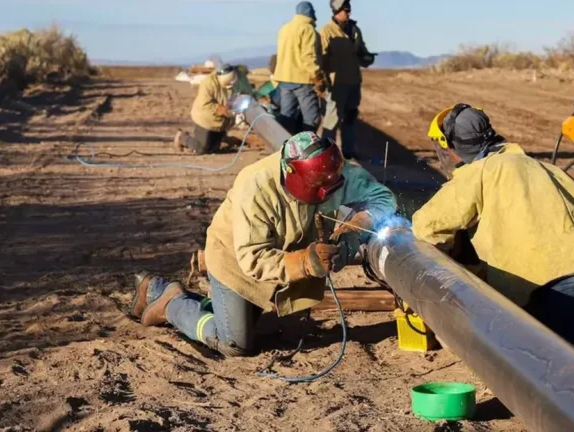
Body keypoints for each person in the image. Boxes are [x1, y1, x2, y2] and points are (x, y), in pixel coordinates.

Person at [131, 131, 397, 357]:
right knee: (235, 343)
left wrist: (353, 231)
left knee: (265, 329)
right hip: (235, 261)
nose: (327, 193)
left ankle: (168, 293)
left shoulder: (333, 172)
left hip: (284, 256)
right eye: (318, 187)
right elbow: (252, 258)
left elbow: (384, 199)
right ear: (292, 173)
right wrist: (305, 263)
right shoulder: (256, 186)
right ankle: (172, 303)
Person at [412, 103, 574, 367]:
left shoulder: (481, 171)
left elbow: (427, 226)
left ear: (451, 146)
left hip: (564, 295)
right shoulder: (547, 169)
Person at [319, 0, 376, 160]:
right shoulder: (326, 31)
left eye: (349, 10)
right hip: (336, 83)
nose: (349, 13)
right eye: (346, 10)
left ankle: (348, 151)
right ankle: (325, 153)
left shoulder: (354, 30)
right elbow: (321, 57)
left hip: (353, 81)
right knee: (332, 118)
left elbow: (362, 52)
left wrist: (367, 57)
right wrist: (322, 80)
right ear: (336, 11)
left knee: (350, 116)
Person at [273, 2, 326, 135]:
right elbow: (308, 57)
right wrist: (317, 76)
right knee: (312, 119)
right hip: (303, 80)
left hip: (284, 80)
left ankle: (285, 145)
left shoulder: (284, 29)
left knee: (287, 118)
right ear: (311, 13)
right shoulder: (308, 29)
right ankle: (306, 145)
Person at [174, 64, 245, 154]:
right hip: (205, 119)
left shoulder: (236, 81)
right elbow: (206, 105)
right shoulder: (208, 83)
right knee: (202, 149)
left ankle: (220, 141)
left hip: (220, 123)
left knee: (214, 150)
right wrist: (223, 110)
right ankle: (182, 137)